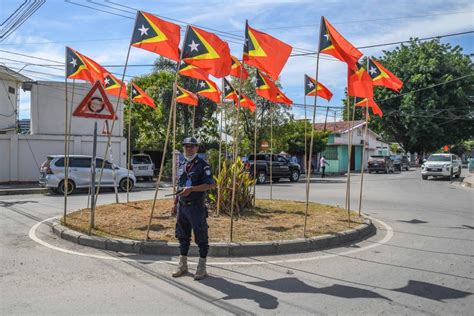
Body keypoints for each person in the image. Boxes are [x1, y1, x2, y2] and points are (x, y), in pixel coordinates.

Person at [172, 137, 216, 280]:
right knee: (182, 236)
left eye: (191, 146)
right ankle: (182, 264)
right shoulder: (182, 163)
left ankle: (202, 267)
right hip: (182, 206)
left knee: (201, 236)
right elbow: (180, 185)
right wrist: (175, 203)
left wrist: (191, 189)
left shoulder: (203, 165)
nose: (188, 149)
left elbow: (210, 185)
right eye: (186, 146)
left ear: (197, 148)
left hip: (196, 207)